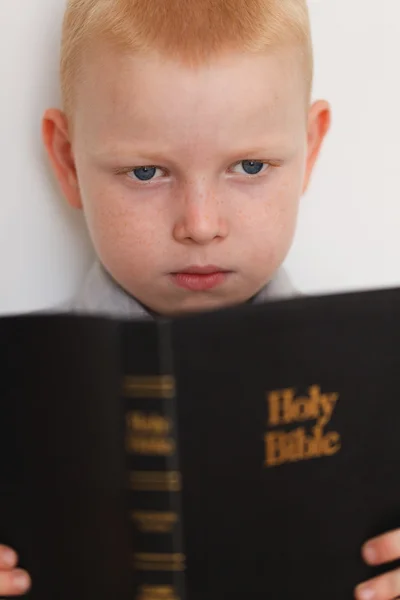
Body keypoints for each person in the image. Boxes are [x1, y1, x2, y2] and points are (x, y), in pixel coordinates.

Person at [1, 0, 397, 598]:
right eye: (145, 173)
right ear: (67, 161)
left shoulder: (383, 393)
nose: (201, 225)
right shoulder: (16, 393)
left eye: (250, 164)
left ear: (310, 150)